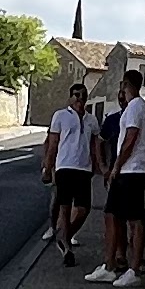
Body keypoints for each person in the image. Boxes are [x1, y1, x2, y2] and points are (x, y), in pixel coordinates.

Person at [92, 72, 145, 283]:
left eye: (123, 87)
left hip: (132, 170)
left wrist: (116, 165)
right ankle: (109, 265)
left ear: (126, 85)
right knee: (112, 214)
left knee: (134, 218)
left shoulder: (135, 107)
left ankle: (133, 270)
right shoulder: (144, 108)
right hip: (130, 169)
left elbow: (131, 138)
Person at [45, 85, 98, 264]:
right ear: (70, 97)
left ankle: (65, 237)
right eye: (76, 95)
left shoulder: (91, 120)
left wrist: (98, 166)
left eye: (83, 96)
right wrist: (48, 168)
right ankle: (67, 250)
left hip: (84, 169)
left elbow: (95, 145)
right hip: (65, 167)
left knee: (84, 209)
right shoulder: (60, 116)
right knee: (65, 208)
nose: (79, 99)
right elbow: (53, 144)